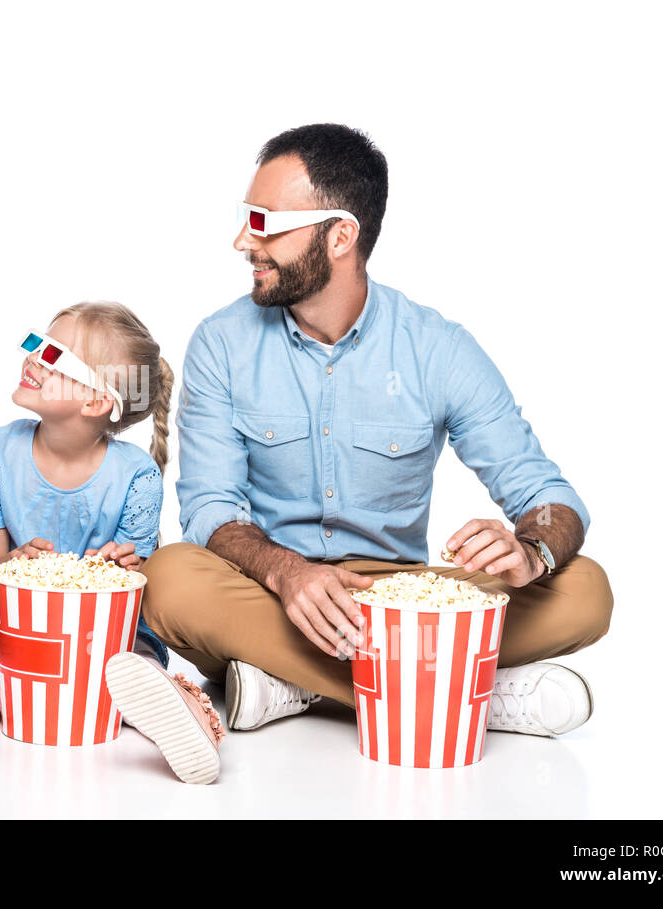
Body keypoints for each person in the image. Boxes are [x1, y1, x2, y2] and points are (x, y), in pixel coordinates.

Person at [142, 124, 613, 740]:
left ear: (341, 235)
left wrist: (530, 551)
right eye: (245, 218)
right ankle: (465, 694)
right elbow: (209, 507)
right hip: (267, 589)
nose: (242, 241)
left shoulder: (439, 349)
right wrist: (286, 574)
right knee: (170, 578)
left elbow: (549, 497)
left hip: (402, 600)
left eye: (266, 224)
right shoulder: (220, 343)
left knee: (584, 587)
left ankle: (293, 685)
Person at [0, 303, 224, 784]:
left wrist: (125, 569)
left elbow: (138, 591)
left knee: (132, 667)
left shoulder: (136, 476)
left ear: (95, 401)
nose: (33, 358)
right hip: (16, 633)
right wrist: (9, 565)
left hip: (109, 639)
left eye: (51, 354)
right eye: (35, 343)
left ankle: (178, 715)